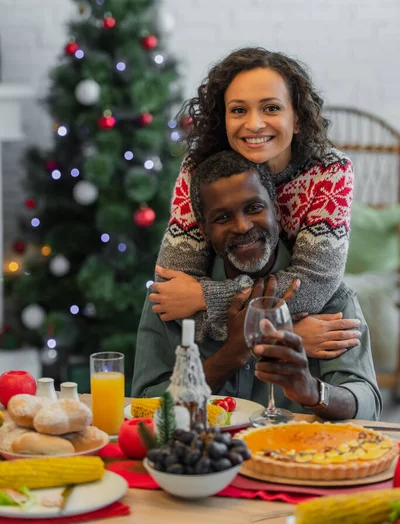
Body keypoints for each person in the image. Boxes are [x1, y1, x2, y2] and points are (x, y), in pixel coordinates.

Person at [132, 152, 381, 421]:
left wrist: (312, 391)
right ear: (203, 230)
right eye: (223, 217)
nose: (242, 226)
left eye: (254, 208)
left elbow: (366, 403)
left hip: (296, 454)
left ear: (275, 209)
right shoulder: (170, 298)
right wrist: (232, 353)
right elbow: (144, 402)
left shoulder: (330, 296)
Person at [151, 48, 354, 347]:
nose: (255, 124)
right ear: (224, 119)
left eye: (271, 108)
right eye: (238, 110)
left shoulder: (329, 172)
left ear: (297, 119)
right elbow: (172, 297)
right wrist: (289, 334)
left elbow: (312, 289)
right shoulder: (199, 172)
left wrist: (205, 296)